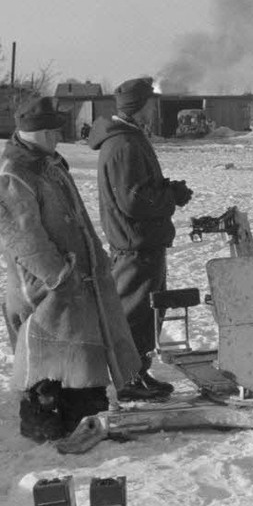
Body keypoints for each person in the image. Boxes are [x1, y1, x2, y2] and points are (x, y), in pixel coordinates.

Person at [0, 96, 144, 443]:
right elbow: (22, 235)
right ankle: (41, 429)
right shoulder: (15, 174)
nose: (58, 138)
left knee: (79, 355)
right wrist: (57, 275)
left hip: (71, 280)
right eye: (53, 132)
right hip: (46, 287)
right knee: (46, 362)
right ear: (37, 132)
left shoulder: (47, 164)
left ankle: (83, 419)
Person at [88, 77, 194, 401]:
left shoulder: (128, 139)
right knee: (134, 313)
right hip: (136, 245)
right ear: (139, 107)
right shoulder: (124, 145)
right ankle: (128, 381)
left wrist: (165, 190)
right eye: (150, 103)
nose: (154, 108)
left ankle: (138, 372)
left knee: (146, 312)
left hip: (142, 242)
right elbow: (133, 201)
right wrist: (170, 197)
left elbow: (137, 191)